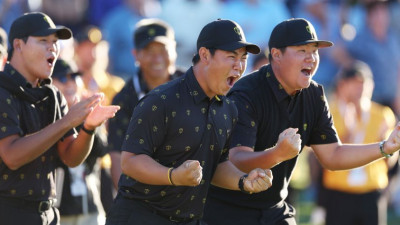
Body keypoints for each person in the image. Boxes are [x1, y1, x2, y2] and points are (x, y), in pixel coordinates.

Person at [203, 18, 400, 225]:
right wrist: (277, 154)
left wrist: (384, 147)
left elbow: (333, 155)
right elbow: (237, 160)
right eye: (302, 51)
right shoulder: (246, 94)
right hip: (228, 212)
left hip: (274, 209)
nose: (311, 58)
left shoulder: (314, 94)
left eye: (314, 51)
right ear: (277, 55)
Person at [105, 19, 273, 225]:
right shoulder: (161, 100)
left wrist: (243, 181)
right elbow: (130, 161)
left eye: (243, 58)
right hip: (139, 218)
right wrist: (173, 176)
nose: (239, 66)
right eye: (231, 57)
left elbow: (217, 165)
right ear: (204, 55)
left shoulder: (228, 109)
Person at [0, 12, 119, 225]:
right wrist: (67, 122)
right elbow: (12, 155)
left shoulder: (52, 94)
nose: (52, 48)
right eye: (43, 41)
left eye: (55, 42)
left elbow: (70, 157)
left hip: (47, 213)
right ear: (18, 45)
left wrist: (88, 128)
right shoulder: (2, 91)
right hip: (8, 213)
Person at [315, 61, 398, 225]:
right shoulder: (329, 113)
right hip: (338, 193)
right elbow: (324, 156)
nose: (360, 88)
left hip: (372, 192)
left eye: (364, 83)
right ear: (342, 85)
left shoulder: (382, 115)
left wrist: (390, 148)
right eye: (354, 83)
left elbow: (391, 161)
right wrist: (348, 132)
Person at [107, 18, 183, 189]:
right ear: (136, 55)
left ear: (174, 50)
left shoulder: (195, 88)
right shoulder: (123, 100)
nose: (157, 58)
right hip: (142, 195)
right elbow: (118, 156)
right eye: (149, 51)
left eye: (163, 50)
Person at [52, 59, 108, 225]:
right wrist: (67, 120)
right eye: (62, 79)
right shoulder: (46, 114)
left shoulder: (87, 114)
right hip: (60, 211)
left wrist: (90, 124)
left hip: (90, 207)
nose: (70, 83)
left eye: (74, 77)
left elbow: (102, 150)